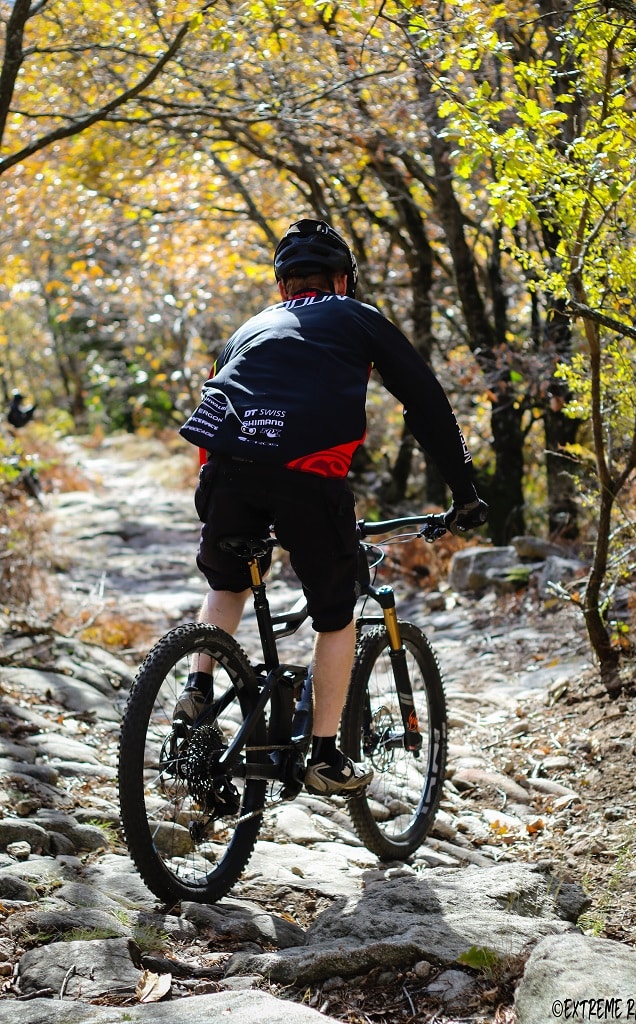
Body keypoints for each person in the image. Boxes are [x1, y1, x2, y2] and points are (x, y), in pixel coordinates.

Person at [178, 219, 488, 797]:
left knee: (228, 584)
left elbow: (214, 408)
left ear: (281, 287)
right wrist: (464, 490)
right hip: (307, 479)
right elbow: (427, 405)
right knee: (335, 613)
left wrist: (217, 490)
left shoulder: (248, 329)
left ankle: (197, 688)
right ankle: (324, 755)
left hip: (226, 473)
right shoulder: (357, 316)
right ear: (344, 280)